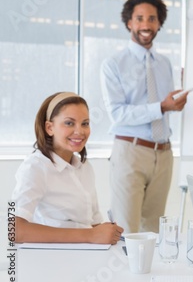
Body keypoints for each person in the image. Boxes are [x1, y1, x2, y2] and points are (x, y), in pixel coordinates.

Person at [101, 0, 188, 233]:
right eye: (139, 18)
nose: (146, 24)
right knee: (125, 230)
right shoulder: (114, 64)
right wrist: (162, 107)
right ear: (129, 22)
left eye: (152, 18)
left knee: (154, 231)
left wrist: (178, 100)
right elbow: (118, 113)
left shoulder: (164, 64)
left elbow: (167, 105)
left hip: (163, 154)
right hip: (131, 152)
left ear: (159, 23)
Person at [12, 92, 123, 244]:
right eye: (69, 123)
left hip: (85, 257)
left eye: (85, 123)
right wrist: (90, 236)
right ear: (49, 128)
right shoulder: (36, 167)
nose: (80, 131)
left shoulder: (84, 167)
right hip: (54, 260)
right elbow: (14, 230)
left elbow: (93, 224)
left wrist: (108, 233)